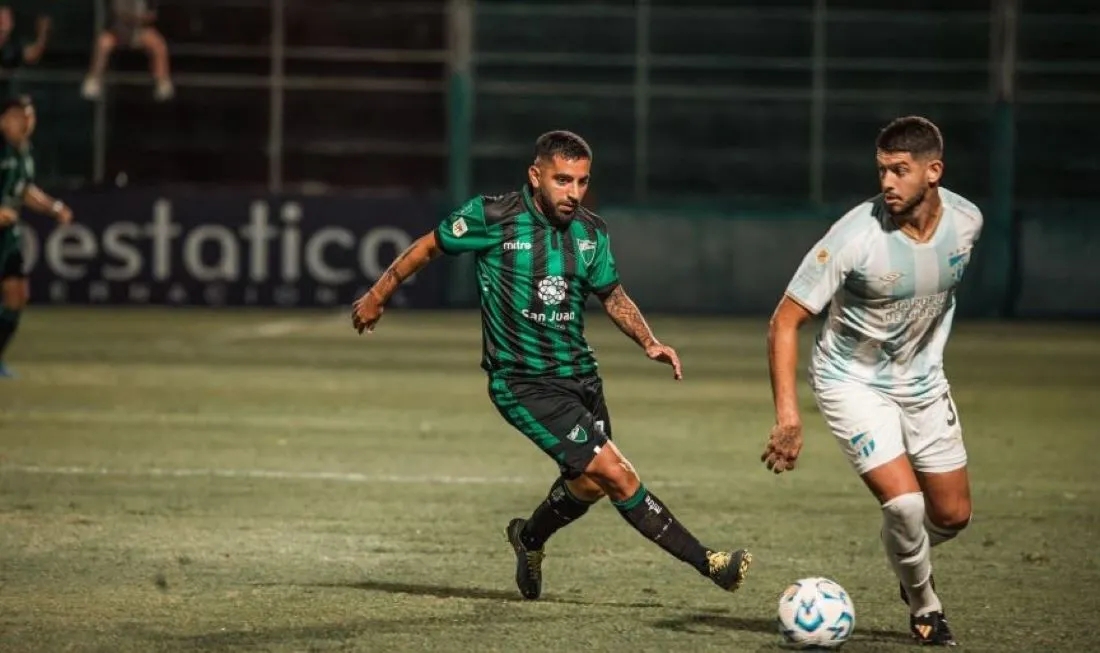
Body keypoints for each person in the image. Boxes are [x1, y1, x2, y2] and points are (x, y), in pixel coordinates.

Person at [351, 130, 752, 600]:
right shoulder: (492, 216)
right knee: (617, 474)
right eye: (563, 181)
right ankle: (711, 563)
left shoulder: (591, 231)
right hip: (523, 383)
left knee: (588, 483)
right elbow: (427, 246)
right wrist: (379, 294)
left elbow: (613, 295)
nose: (573, 193)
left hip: (580, 376)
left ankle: (529, 537)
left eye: (582, 181)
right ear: (535, 175)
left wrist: (649, 341)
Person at [762, 116, 980, 646]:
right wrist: (788, 416)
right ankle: (925, 604)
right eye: (882, 169)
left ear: (933, 172)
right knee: (905, 506)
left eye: (900, 170)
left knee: (951, 515)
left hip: (924, 381)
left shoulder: (968, 221)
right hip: (850, 380)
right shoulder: (855, 236)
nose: (887, 182)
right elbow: (784, 320)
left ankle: (909, 560)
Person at [0, 95, 74, 378]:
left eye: (30, 115)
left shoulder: (23, 151)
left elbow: (24, 190)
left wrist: (54, 207)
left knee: (17, 296)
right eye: (20, 115)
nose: (27, 121)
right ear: (4, 120)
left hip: (8, 236)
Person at [81, 0, 174, 102]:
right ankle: (94, 79)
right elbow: (120, 14)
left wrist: (145, 17)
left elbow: (153, 14)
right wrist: (137, 17)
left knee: (158, 44)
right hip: (118, 31)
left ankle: (162, 82)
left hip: (139, 31)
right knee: (103, 43)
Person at [0, 6, 51, 98]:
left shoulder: (14, 44)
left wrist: (43, 33)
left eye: (7, 18)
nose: (3, 22)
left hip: (8, 94)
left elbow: (31, 55)